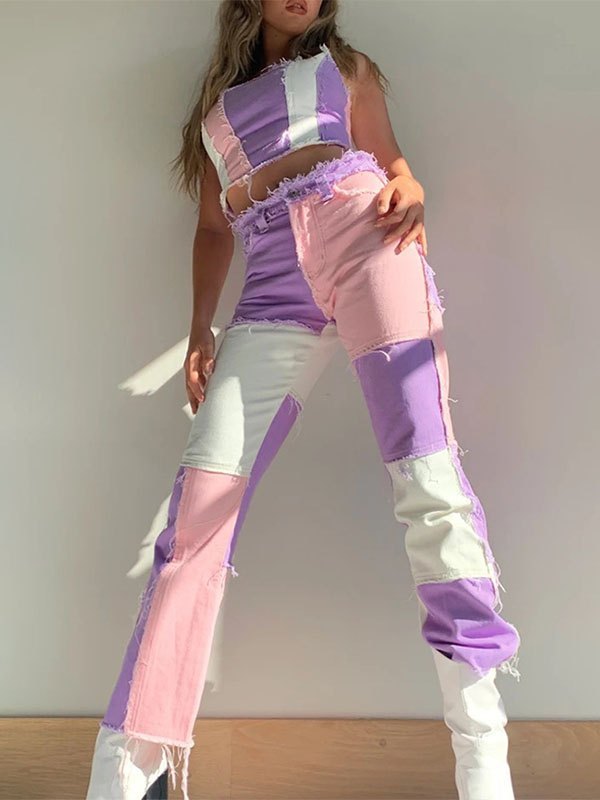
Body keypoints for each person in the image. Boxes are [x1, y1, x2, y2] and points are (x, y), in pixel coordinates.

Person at [85, 1, 522, 799]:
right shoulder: (214, 115)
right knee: (197, 512)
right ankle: (129, 767)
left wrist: (412, 185)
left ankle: (483, 761)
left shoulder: (344, 68)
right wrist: (199, 330)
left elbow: (394, 164)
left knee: (428, 483)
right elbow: (213, 230)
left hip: (367, 241)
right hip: (271, 286)